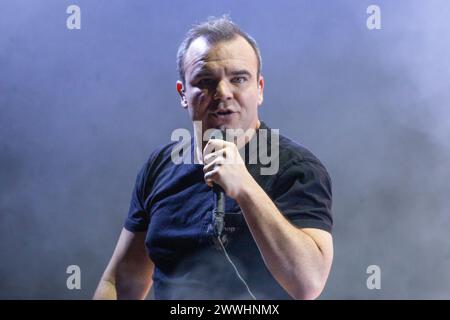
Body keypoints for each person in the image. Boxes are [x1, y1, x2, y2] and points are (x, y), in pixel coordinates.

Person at [93, 16, 333, 300]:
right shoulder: (160, 167)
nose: (223, 93)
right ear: (183, 93)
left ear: (259, 88)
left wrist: (245, 188)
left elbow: (308, 284)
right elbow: (120, 283)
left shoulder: (296, 168)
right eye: (206, 82)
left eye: (239, 79)